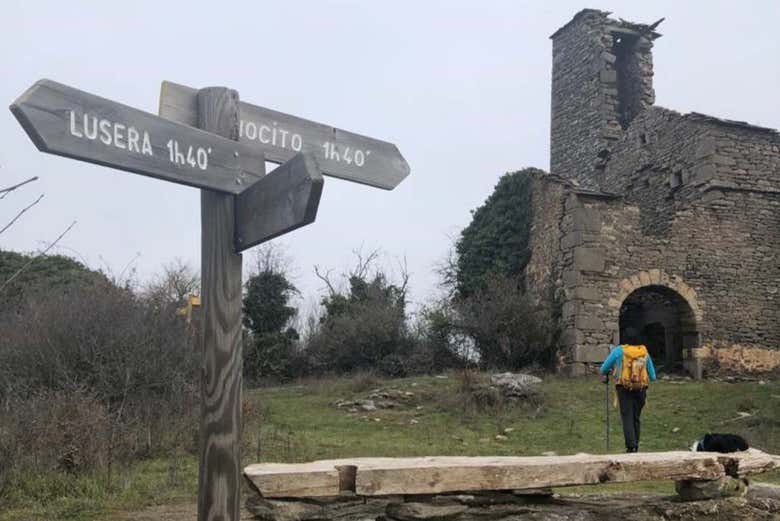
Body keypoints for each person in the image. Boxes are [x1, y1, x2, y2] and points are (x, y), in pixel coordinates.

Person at [599, 329, 656, 453]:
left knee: (627, 417)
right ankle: (636, 445)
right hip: (641, 389)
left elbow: (603, 368)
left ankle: (631, 447)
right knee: (636, 417)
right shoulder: (644, 351)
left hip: (623, 388)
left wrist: (611, 370)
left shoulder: (619, 351)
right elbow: (653, 376)